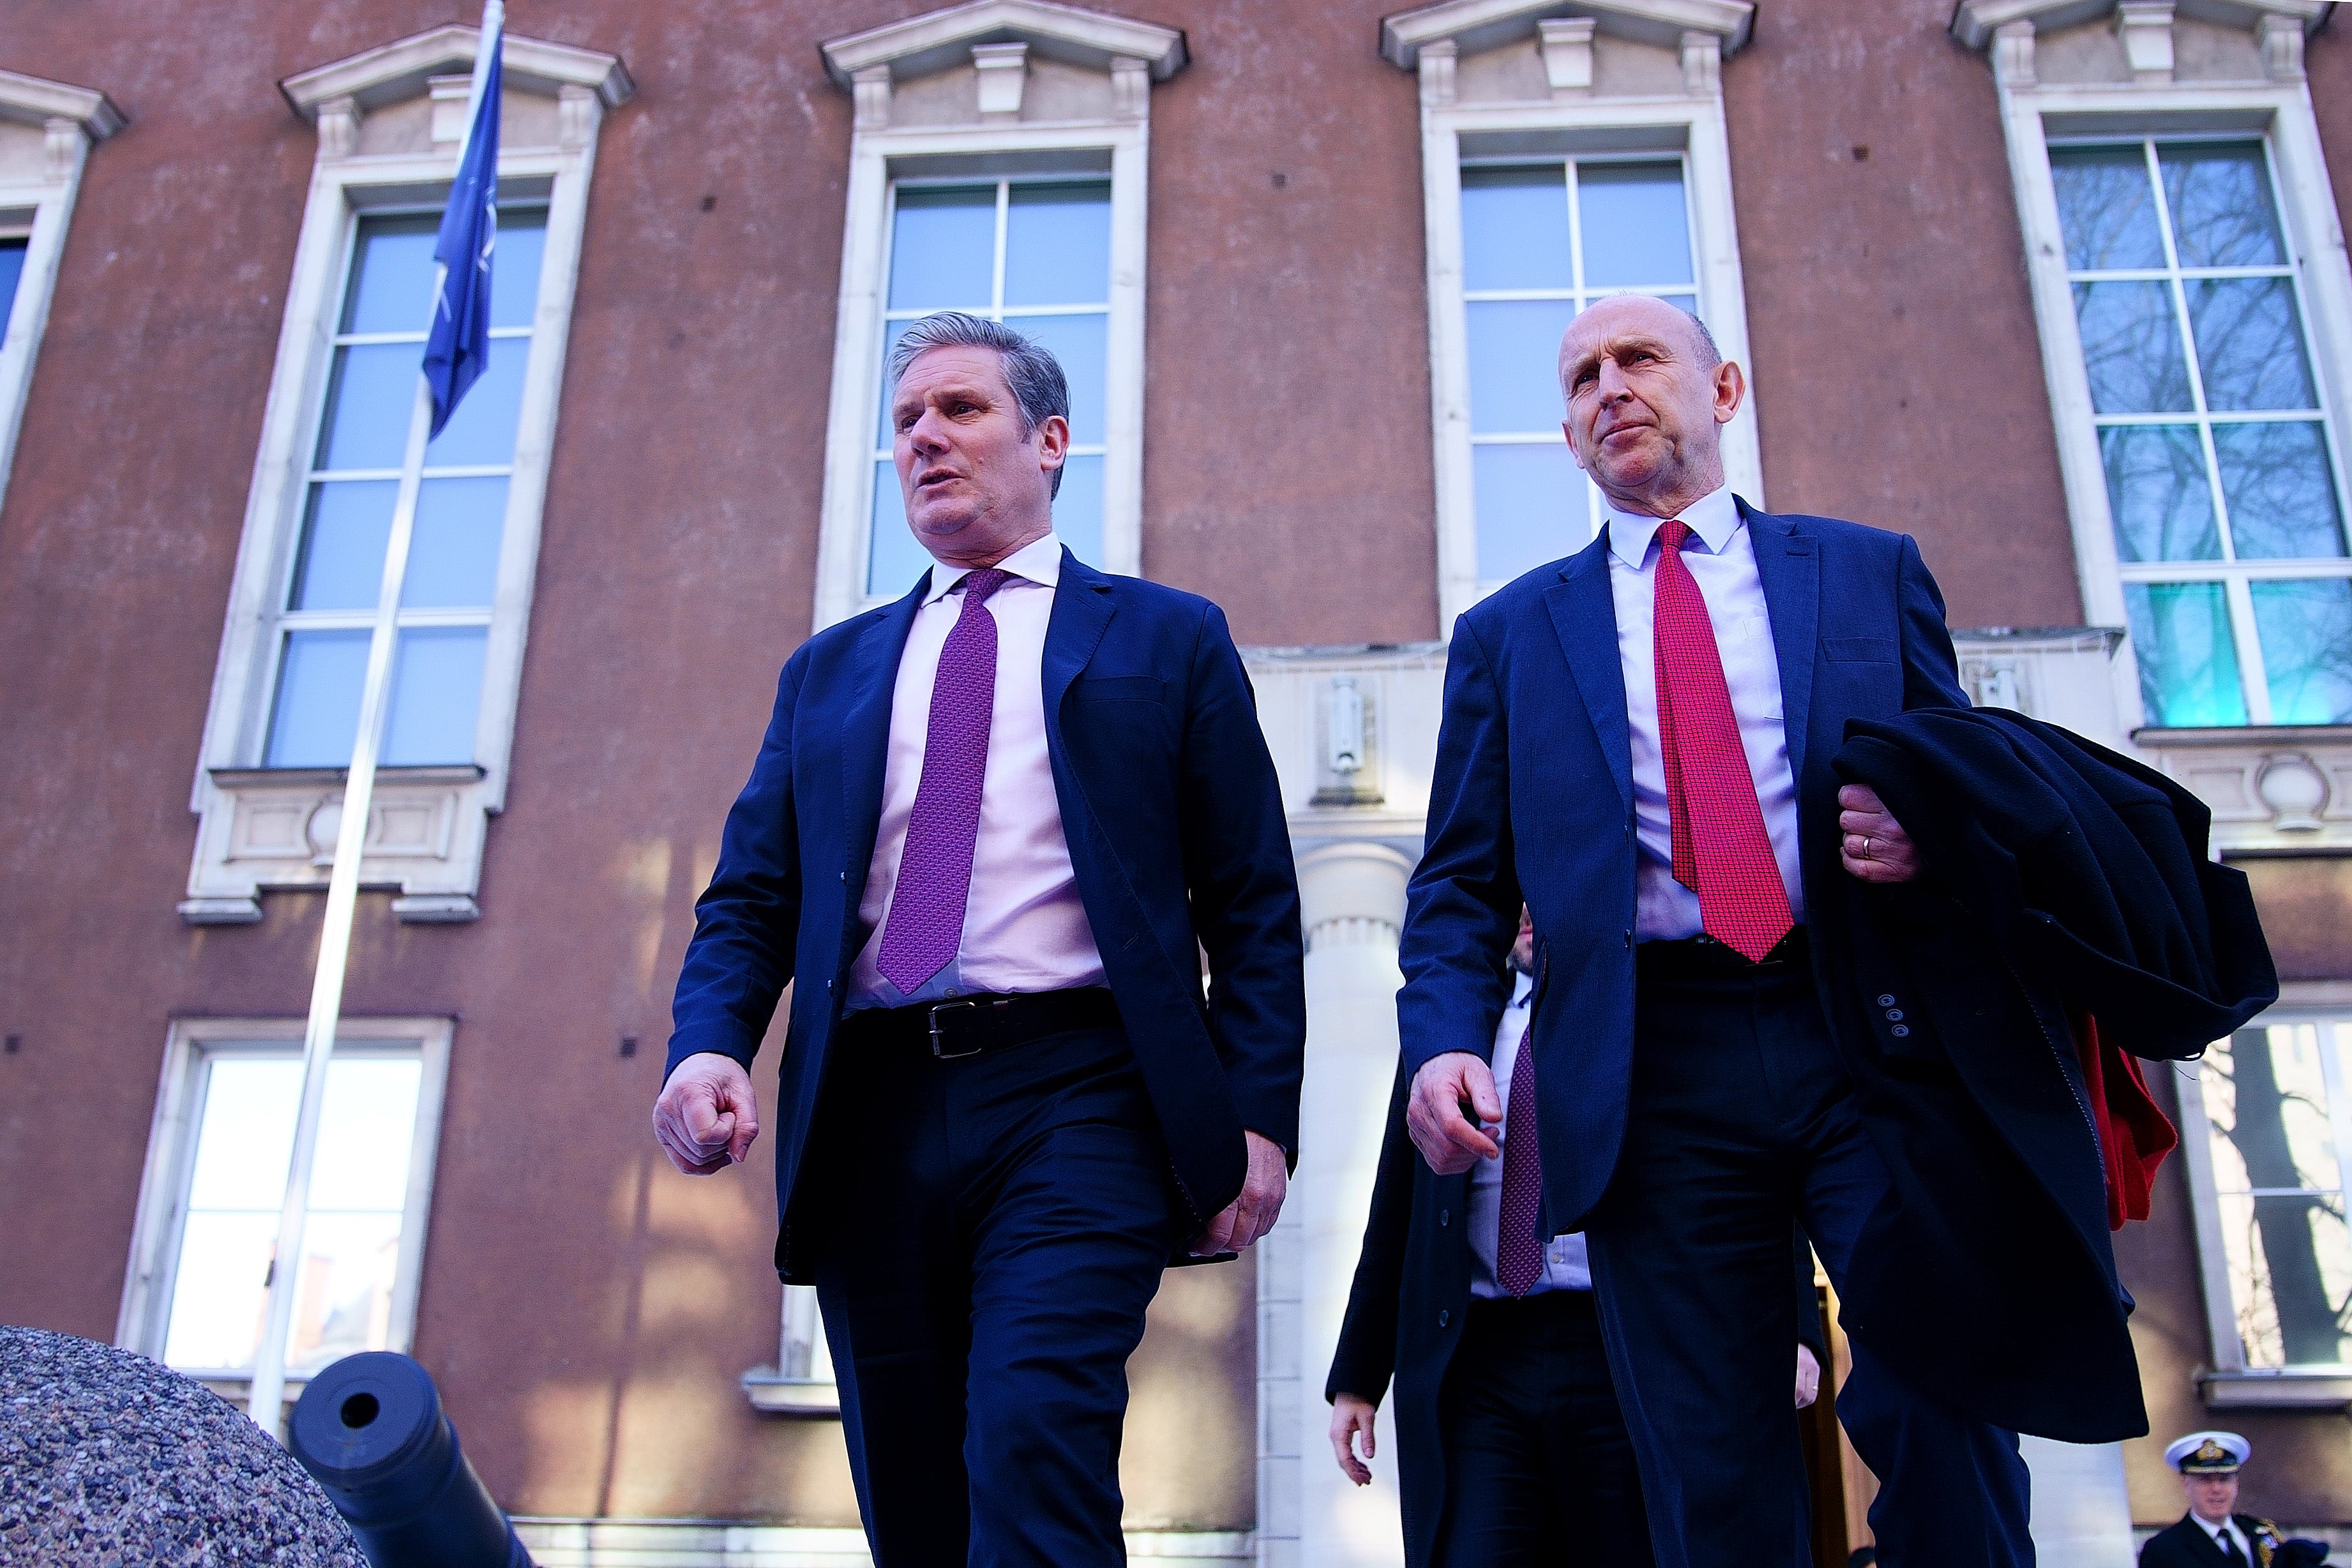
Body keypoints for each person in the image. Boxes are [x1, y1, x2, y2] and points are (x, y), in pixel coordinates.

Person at [1395, 293, 2045, 1566]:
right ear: (1570, 435)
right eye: (1582, 376)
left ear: (1726, 390)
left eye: (1640, 359)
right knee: (1708, 1459)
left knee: (1942, 1391)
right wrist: (1441, 1040)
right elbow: (1461, 880)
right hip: (1654, 1066)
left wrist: (1934, 834)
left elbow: (1971, 781)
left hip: (1866, 1030)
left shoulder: (1867, 571)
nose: (1610, 387)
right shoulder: (1511, 635)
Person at [653, 312, 1306, 1567]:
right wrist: (707, 1047)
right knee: (916, 1499)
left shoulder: (1166, 638)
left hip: (1080, 1095)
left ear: (1050, 440)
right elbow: (753, 893)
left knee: (1032, 1437)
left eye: (960, 410)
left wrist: (1260, 1117)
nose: (926, 439)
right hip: (872, 1108)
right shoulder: (829, 673)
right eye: (907, 421)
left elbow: (1254, 901)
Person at [1325, 907, 1825, 1568]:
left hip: (1624, 1342)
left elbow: (1751, 1167)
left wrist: (1792, 1326)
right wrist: (1359, 1375)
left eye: (1540, 885)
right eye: (1512, 893)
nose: (1528, 909)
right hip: (1481, 1355)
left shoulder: (1654, 1011)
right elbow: (1396, 1204)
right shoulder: (1449, 1034)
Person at [2139, 1432, 2328, 1568]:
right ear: (2186, 1484)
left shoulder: (2261, 1533)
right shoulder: (2164, 1550)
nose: (2216, 1489)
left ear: (2236, 1484)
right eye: (2205, 1480)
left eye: (2224, 1479)